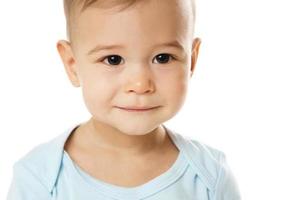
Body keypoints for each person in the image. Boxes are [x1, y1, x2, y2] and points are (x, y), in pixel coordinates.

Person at [7, 0, 241, 199]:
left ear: (191, 60)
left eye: (162, 58)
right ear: (73, 65)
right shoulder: (38, 179)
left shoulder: (211, 177)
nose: (140, 85)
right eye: (113, 60)